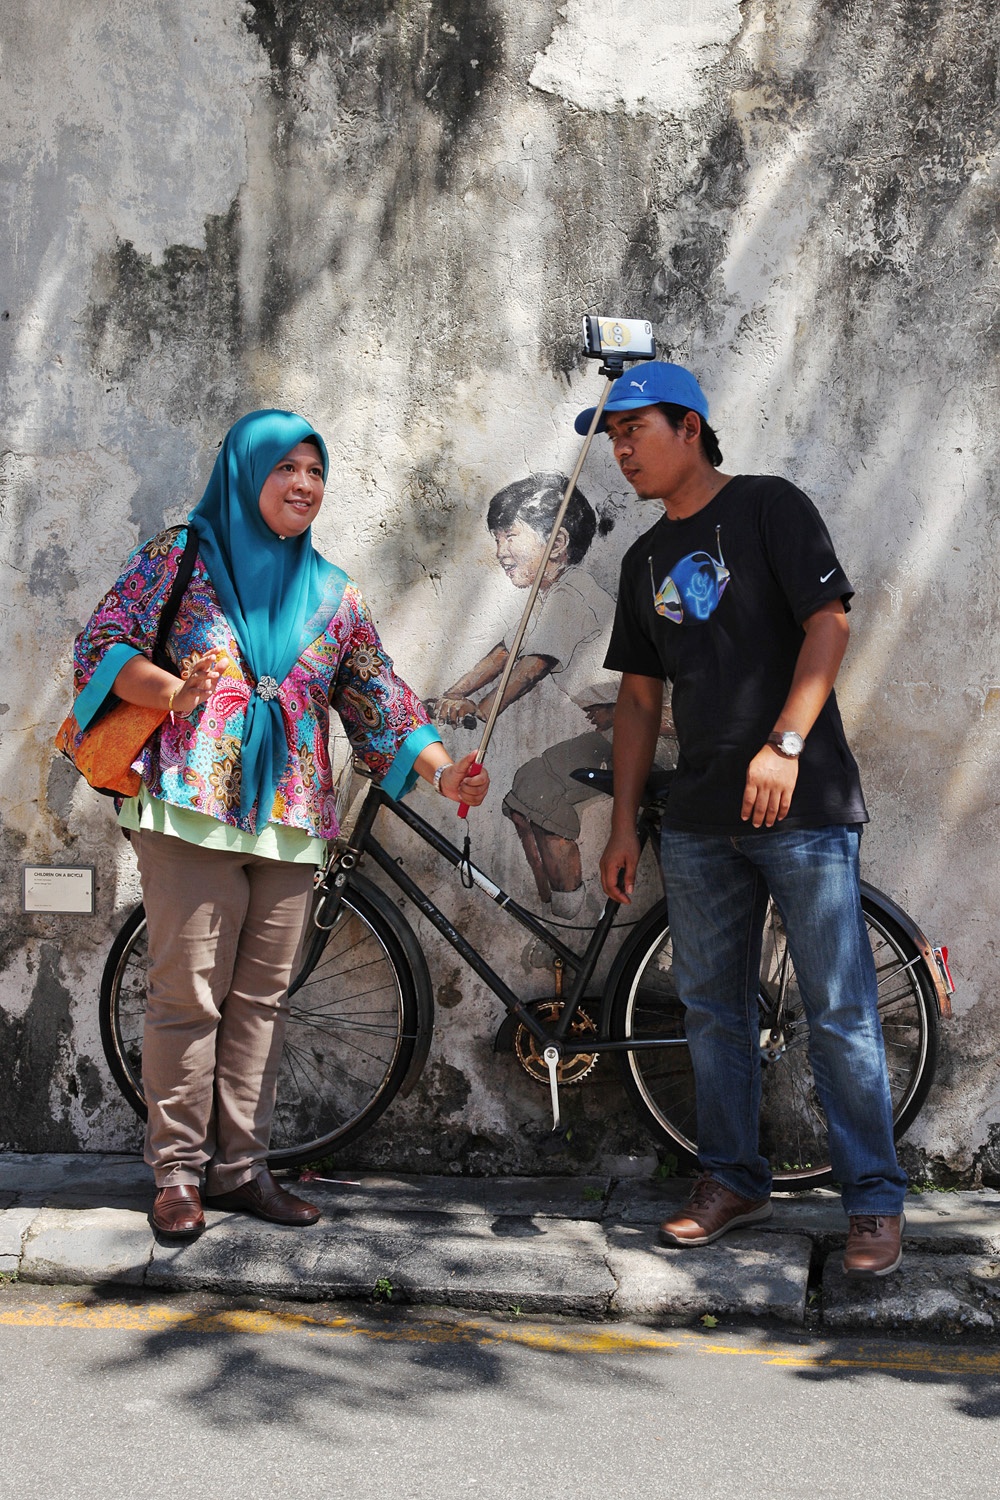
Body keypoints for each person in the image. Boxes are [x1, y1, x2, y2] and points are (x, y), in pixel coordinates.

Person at [70, 410, 488, 1239]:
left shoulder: (335, 594)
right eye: (286, 467)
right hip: (192, 806)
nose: (304, 483)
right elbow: (103, 645)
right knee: (188, 997)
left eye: (315, 470)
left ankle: (242, 1170)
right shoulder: (179, 557)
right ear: (244, 472)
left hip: (290, 819)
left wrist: (446, 773)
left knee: (262, 1002)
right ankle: (178, 1174)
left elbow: (379, 697)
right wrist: (172, 692)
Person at [588, 361, 907, 1279]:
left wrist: (786, 743)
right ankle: (731, 1179)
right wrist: (623, 825)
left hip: (802, 805)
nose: (621, 451)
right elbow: (640, 699)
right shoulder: (644, 561)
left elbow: (829, 623)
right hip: (696, 818)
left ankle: (873, 1200)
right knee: (711, 1011)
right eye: (612, 439)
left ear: (689, 427)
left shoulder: (770, 505)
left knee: (838, 1008)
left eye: (634, 430)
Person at [429, 474, 619, 921]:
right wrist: (451, 695)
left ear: (557, 544)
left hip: (648, 734)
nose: (500, 551)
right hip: (617, 733)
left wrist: (479, 710)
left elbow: (531, 667)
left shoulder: (572, 593)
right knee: (523, 799)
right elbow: (505, 653)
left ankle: (572, 915)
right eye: (497, 539)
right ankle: (553, 912)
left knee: (539, 791)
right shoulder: (546, 597)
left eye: (510, 535)